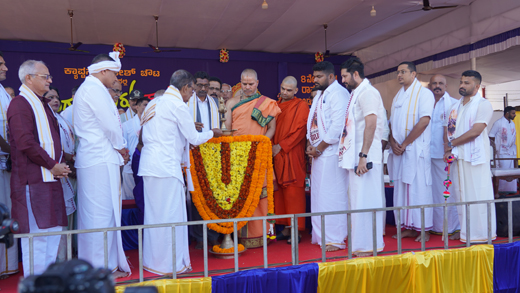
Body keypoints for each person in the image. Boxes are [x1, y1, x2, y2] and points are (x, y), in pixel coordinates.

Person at [139, 69, 222, 275]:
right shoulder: (177, 104)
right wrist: (213, 133)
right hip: (166, 167)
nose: (192, 94)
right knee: (170, 216)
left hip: (150, 165)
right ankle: (170, 265)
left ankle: (153, 262)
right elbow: (194, 138)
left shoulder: (155, 102)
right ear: (185, 88)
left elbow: (145, 133)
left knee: (155, 217)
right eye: (192, 90)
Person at [8, 60, 70, 276]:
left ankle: (47, 284)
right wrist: (52, 165)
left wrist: (58, 166)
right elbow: (25, 142)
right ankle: (34, 285)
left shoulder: (41, 104)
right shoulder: (20, 104)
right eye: (45, 77)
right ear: (29, 78)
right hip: (32, 181)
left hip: (50, 179)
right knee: (37, 238)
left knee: (53, 234)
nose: (50, 81)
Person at [74, 52, 131, 278]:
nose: (116, 78)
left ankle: (101, 266)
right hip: (98, 158)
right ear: (104, 70)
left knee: (98, 214)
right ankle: (100, 270)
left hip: (96, 158)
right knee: (99, 215)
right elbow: (110, 125)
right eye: (115, 74)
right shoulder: (94, 89)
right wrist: (121, 147)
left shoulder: (90, 88)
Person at [225, 68, 281, 248]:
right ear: (240, 83)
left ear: (257, 83)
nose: (247, 87)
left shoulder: (266, 103)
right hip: (237, 156)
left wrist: (262, 143)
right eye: (244, 83)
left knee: (260, 194)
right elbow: (227, 129)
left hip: (259, 153)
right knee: (239, 195)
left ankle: (261, 235)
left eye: (251, 84)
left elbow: (272, 128)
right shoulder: (231, 103)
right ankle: (240, 236)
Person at [338, 57, 385, 256]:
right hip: (356, 156)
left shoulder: (368, 92)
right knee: (357, 200)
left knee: (366, 200)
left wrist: (363, 155)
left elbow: (371, 123)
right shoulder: (357, 93)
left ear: (356, 74)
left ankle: (368, 245)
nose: (343, 80)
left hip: (365, 157)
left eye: (345, 76)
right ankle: (361, 244)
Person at [444, 70, 496, 243]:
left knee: (478, 196)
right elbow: (449, 131)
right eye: (461, 82)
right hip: (459, 158)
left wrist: (452, 144)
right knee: (461, 195)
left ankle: (482, 234)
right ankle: (466, 231)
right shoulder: (455, 106)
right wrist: (448, 149)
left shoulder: (483, 104)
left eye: (466, 83)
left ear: (477, 86)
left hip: (475, 158)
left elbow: (476, 131)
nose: (462, 85)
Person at [306, 61, 350, 252]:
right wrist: (310, 144)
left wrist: (320, 147)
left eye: (319, 77)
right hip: (319, 153)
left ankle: (335, 239)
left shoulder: (339, 94)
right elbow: (312, 122)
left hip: (331, 153)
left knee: (332, 196)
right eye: (314, 76)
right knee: (318, 196)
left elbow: (338, 126)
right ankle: (321, 235)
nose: (315, 80)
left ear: (331, 77)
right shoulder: (320, 95)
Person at [388, 61, 433, 242]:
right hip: (400, 150)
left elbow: (424, 121)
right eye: (398, 72)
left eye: (403, 71)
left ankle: (424, 230)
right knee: (401, 191)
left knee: (419, 190)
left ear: (414, 74)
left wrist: (405, 143)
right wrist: (393, 143)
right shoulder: (398, 96)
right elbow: (391, 124)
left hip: (415, 150)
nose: (400, 75)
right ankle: (408, 227)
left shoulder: (424, 94)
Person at [272, 76, 309, 244]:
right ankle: (286, 229)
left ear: (296, 91)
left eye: (289, 90)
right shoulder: (275, 106)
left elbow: (301, 131)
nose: (285, 92)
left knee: (293, 192)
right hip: (277, 154)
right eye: (283, 89)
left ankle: (297, 231)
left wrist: (282, 146)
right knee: (281, 193)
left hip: (292, 154)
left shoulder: (301, 106)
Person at [186, 71, 221, 248]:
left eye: (205, 86)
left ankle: (213, 233)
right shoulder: (186, 103)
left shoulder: (215, 103)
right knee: (196, 196)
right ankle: (199, 237)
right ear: (193, 85)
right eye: (199, 85)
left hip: (213, 156)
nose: (202, 89)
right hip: (193, 155)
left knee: (213, 196)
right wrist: (189, 126)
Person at [44, 87, 77, 262]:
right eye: (50, 97)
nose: (55, 100)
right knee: (57, 216)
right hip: (57, 172)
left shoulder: (61, 118)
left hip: (69, 171)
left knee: (68, 217)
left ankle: (68, 255)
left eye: (57, 97)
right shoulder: (44, 120)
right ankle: (58, 259)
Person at [428, 74, 461, 239]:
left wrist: (448, 149)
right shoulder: (426, 102)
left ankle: (452, 228)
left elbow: (451, 130)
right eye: (434, 83)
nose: (437, 86)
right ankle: (435, 226)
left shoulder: (453, 104)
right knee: (432, 193)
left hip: (444, 155)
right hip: (427, 155)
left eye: (440, 83)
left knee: (447, 191)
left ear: (446, 86)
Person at [0, 51, 18, 278]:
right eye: (1, 64)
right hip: (4, 159)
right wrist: (12, 150)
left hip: (6, 164)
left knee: (6, 215)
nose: (5, 67)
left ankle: (6, 267)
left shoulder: (4, 92)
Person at [122, 97, 149, 200]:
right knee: (131, 199)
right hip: (130, 168)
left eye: (148, 105)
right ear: (137, 107)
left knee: (146, 199)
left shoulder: (151, 124)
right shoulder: (126, 125)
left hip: (147, 167)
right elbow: (123, 146)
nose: (147, 107)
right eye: (145, 105)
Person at [489, 106, 517, 193]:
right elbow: (491, 135)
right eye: (513, 113)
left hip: (511, 152)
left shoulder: (512, 124)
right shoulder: (498, 123)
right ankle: (501, 191)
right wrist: (494, 149)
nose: (515, 115)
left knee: (511, 172)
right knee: (503, 171)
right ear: (507, 113)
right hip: (501, 152)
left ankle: (511, 190)